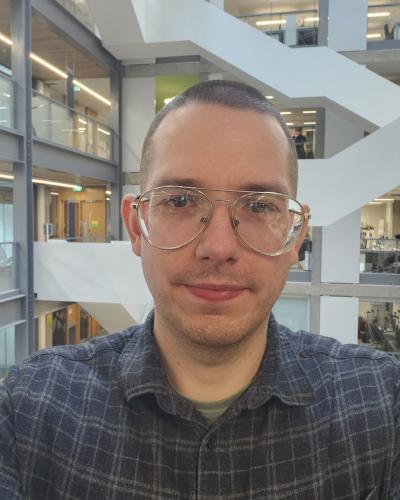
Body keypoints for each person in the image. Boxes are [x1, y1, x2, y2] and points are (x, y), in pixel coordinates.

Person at [0, 81, 399, 500]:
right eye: (180, 201)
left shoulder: (380, 405)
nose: (219, 248)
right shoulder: (32, 409)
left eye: (260, 205)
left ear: (295, 236)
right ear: (137, 226)